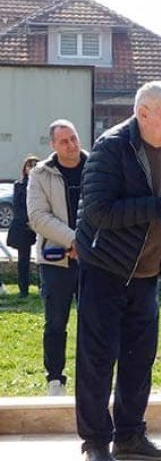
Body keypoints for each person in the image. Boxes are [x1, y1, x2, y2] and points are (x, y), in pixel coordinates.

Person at [74, 81, 161, 461]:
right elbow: (98, 211)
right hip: (105, 270)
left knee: (138, 359)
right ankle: (95, 443)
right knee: (98, 359)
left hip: (147, 272)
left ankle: (129, 434)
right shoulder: (112, 148)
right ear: (143, 113)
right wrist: (158, 206)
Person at [27, 121, 86, 397]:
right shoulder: (40, 174)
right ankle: (55, 379)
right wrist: (73, 240)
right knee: (55, 322)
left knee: (94, 322)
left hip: (94, 259)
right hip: (57, 260)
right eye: (64, 141)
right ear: (53, 145)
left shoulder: (96, 166)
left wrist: (86, 243)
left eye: (73, 138)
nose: (71, 145)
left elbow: (106, 208)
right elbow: (38, 217)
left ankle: (91, 376)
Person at [7, 155, 39, 298]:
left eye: (35, 165)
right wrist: (29, 221)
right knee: (23, 259)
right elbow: (18, 207)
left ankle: (42, 287)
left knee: (42, 258)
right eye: (29, 165)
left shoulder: (43, 185)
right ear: (24, 169)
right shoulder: (19, 185)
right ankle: (23, 290)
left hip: (41, 225)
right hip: (24, 226)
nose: (32, 168)